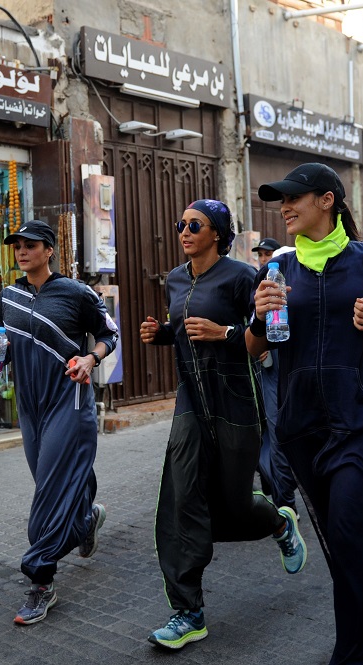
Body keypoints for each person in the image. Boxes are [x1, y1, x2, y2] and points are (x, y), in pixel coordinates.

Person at [248, 163, 363, 665]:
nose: (285, 207)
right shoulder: (278, 271)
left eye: (293, 197)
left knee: (357, 532)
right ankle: (355, 643)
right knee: (343, 547)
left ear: (326, 200)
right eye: (280, 200)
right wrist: (259, 314)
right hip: (303, 428)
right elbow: (252, 346)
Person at [139, 199, 307, 651]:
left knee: (230, 508)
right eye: (181, 224)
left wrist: (223, 333)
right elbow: (186, 327)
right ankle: (188, 611)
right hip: (192, 400)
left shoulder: (241, 277)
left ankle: (277, 521)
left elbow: (260, 340)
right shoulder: (177, 278)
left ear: (217, 234)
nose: (185, 230)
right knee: (181, 497)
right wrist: (163, 334)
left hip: (235, 399)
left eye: (195, 224)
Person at [0, 220, 118, 626]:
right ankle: (86, 519)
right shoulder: (7, 296)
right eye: (17, 245)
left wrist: (91, 359)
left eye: (31, 245)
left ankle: (40, 577)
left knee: (48, 492)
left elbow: (109, 333)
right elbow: (0, 349)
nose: (22, 251)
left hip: (70, 401)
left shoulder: (77, 292)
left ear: (50, 250)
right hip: (30, 406)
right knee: (54, 478)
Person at [251, 236, 297, 514]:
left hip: (296, 371)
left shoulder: (296, 287)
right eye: (263, 255)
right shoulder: (260, 284)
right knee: (275, 432)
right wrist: (260, 343)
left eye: (270, 254)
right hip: (270, 372)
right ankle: (284, 502)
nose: (265, 258)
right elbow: (251, 327)